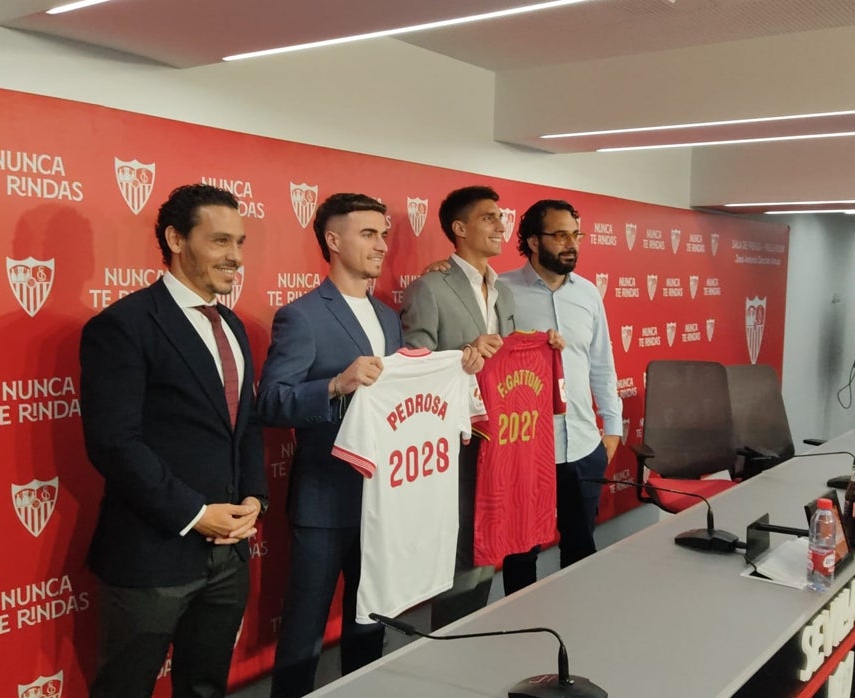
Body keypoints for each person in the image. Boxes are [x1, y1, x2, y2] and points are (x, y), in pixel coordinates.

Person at [256, 192, 480, 698]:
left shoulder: (386, 316)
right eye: (368, 234)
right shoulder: (302, 316)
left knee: (371, 621)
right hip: (325, 500)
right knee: (305, 631)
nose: (381, 245)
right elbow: (269, 402)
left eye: (384, 234)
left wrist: (457, 365)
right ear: (333, 241)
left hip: (386, 501)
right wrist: (335, 385)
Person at [79, 184, 268, 698]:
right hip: (151, 556)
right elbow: (114, 443)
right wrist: (194, 513)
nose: (235, 257)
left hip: (228, 555)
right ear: (176, 239)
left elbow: (245, 425)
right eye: (220, 241)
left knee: (205, 687)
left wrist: (254, 497)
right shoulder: (124, 325)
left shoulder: (232, 325)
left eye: (240, 242)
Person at [400, 185, 515, 628]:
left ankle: (474, 632)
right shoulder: (430, 288)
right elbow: (414, 367)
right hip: (454, 443)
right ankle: (451, 641)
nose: (500, 225)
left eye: (500, 217)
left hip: (500, 440)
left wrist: (544, 346)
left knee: (487, 545)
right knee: (461, 553)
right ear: (460, 228)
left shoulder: (505, 292)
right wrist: (463, 354)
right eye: (489, 217)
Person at [499, 199, 622, 583]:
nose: (572, 244)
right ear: (534, 242)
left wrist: (613, 428)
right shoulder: (500, 290)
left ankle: (577, 618)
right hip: (525, 448)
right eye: (561, 235)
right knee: (521, 557)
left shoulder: (588, 294)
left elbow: (602, 364)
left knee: (581, 550)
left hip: (583, 446)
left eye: (576, 235)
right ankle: (520, 622)